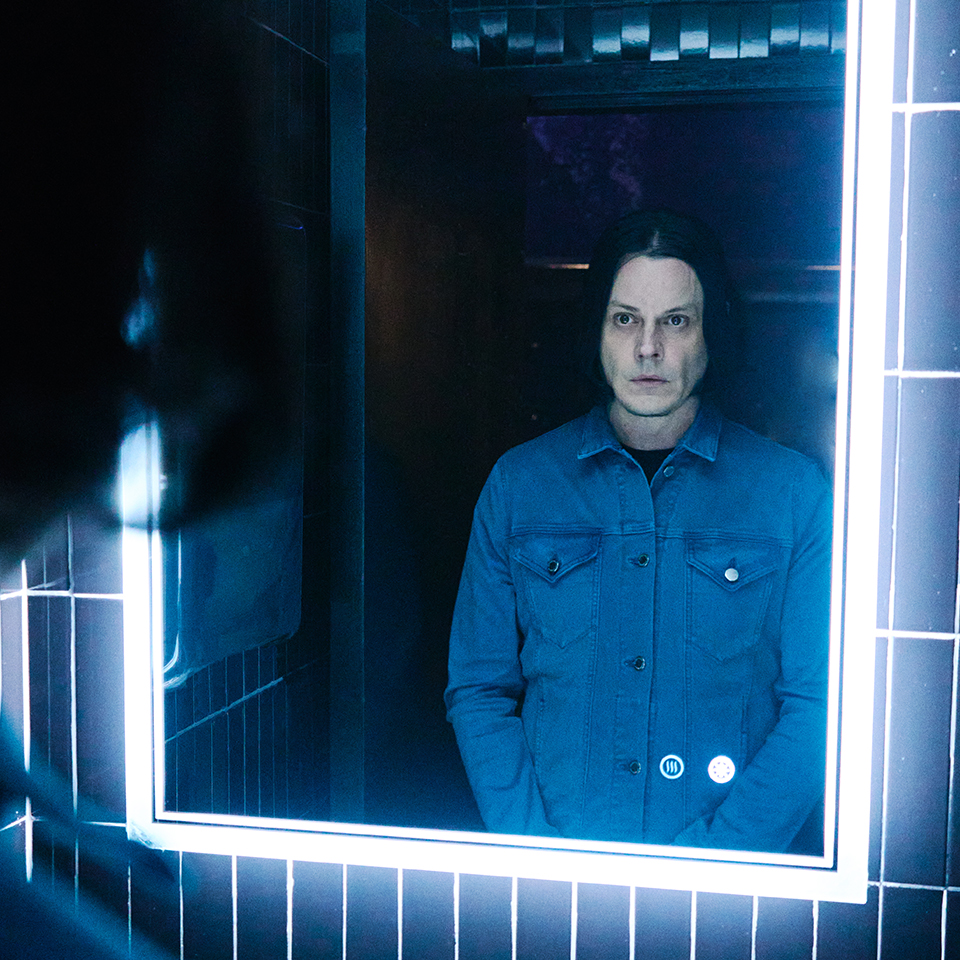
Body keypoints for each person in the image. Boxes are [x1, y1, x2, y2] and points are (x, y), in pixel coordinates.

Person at [445, 209, 832, 853]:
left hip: (732, 902)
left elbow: (818, 707)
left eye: (675, 321)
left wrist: (719, 866)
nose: (648, 349)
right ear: (596, 331)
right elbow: (480, 691)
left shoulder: (792, 495)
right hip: (553, 885)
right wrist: (535, 855)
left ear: (712, 334)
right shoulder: (518, 486)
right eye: (626, 318)